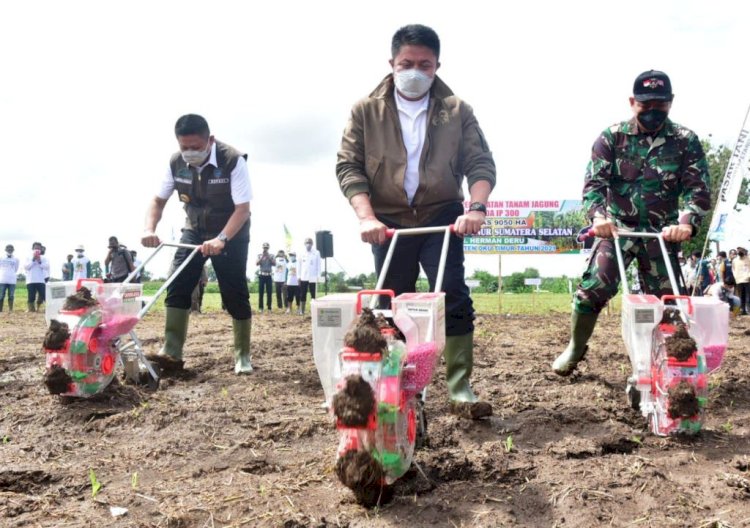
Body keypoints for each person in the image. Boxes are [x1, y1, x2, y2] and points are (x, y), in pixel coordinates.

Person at [336, 24, 496, 419]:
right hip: (388, 221)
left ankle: (459, 386)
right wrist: (366, 217)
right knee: (389, 300)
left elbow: (479, 163)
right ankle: (393, 380)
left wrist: (475, 208)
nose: (414, 71)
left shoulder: (456, 110)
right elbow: (349, 166)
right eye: (406, 63)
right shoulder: (365, 110)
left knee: (452, 293)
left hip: (441, 216)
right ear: (391, 63)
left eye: (424, 64)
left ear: (437, 65)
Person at [552, 70, 710, 376]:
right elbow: (594, 185)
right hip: (618, 229)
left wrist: (687, 222)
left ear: (670, 103)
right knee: (593, 287)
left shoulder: (685, 141)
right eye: (645, 105)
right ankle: (575, 347)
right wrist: (599, 216)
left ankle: (671, 366)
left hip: (661, 233)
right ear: (632, 102)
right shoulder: (611, 138)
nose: (652, 111)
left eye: (659, 105)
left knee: (672, 302)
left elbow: (698, 189)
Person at [142, 114, 252, 374]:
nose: (189, 153)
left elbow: (243, 209)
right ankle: (171, 351)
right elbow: (158, 201)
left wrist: (221, 239)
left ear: (210, 140)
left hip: (231, 232)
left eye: (195, 147)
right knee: (178, 283)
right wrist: (149, 229)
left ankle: (242, 356)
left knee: (234, 291)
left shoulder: (232, 160)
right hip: (194, 230)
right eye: (184, 147)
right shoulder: (176, 163)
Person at [24, 242, 49, 312]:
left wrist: (39, 261)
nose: (37, 249)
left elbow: (46, 267)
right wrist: (33, 259)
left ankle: (48, 309)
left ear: (41, 249)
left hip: (40, 280)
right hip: (30, 280)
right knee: (31, 296)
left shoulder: (44, 258)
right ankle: (31, 309)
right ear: (32, 249)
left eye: (38, 248)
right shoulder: (28, 257)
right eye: (35, 248)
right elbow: (26, 267)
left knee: (44, 295)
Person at [298, 237, 321, 315]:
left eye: (310, 243)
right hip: (303, 277)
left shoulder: (316, 253)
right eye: (307, 243)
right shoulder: (301, 253)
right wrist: (298, 277)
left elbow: (318, 266)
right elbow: (299, 266)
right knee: (302, 294)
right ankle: (302, 310)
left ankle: (314, 311)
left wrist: (318, 276)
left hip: (313, 277)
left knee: (313, 294)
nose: (308, 244)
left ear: (312, 244)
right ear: (304, 244)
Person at [0, 244, 19, 312]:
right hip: (2, 279)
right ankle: (0, 310)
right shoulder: (1, 257)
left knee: (11, 296)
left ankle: (10, 309)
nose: (9, 249)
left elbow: (16, 269)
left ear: (13, 250)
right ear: (5, 249)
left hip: (12, 280)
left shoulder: (16, 259)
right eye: (8, 248)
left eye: (11, 248)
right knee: (1, 296)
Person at [256, 242, 274, 312]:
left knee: (269, 292)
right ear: (262, 248)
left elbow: (274, 263)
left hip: (269, 275)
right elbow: (257, 263)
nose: (265, 249)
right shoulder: (260, 255)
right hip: (262, 276)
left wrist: (268, 257)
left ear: (268, 248)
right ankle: (261, 307)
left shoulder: (272, 255)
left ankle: (269, 307)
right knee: (261, 292)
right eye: (264, 247)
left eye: (266, 248)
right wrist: (262, 257)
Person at [732, 246, 750, 315]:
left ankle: (748, 310)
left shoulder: (748, 258)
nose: (739, 251)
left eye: (741, 250)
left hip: (747, 280)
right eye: (738, 250)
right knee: (740, 296)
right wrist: (736, 277)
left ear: (744, 251)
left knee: (748, 296)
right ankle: (742, 310)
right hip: (739, 280)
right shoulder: (735, 260)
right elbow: (733, 269)